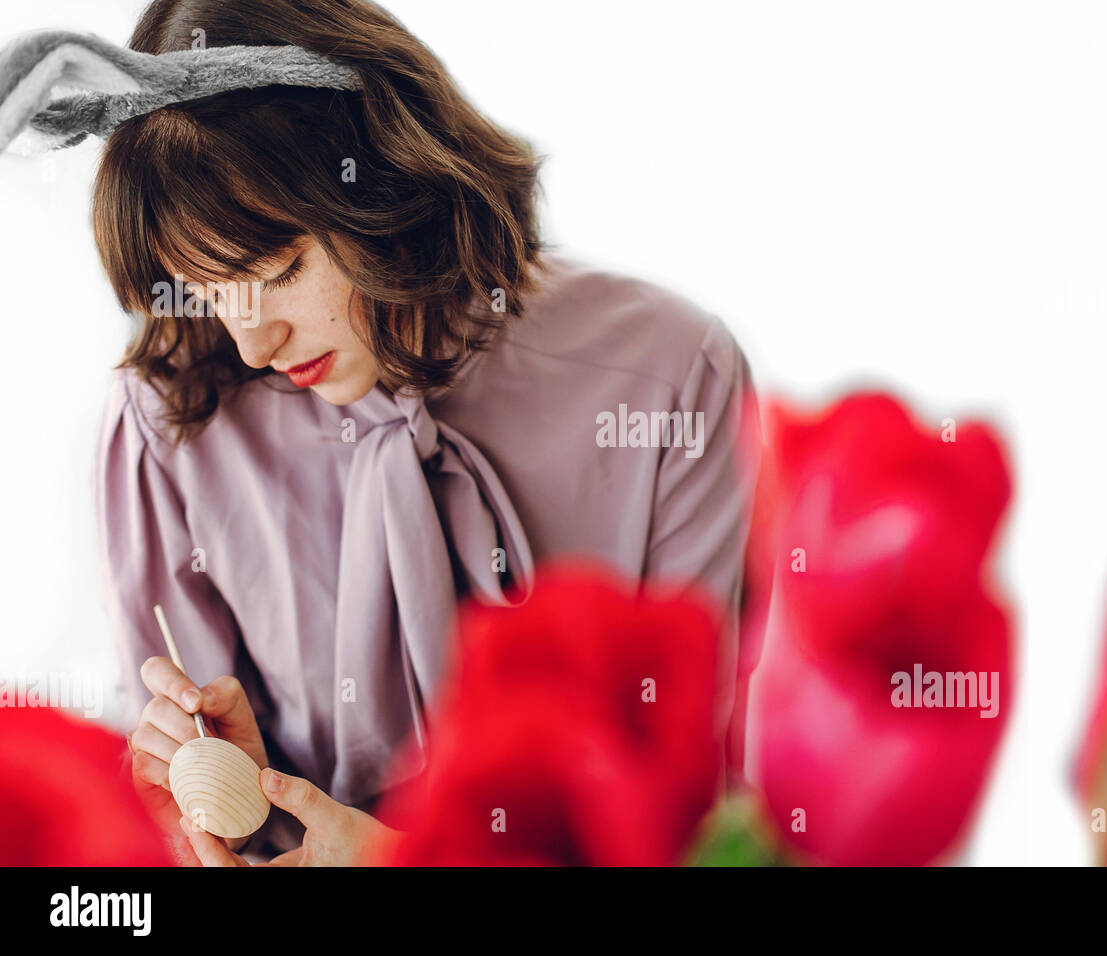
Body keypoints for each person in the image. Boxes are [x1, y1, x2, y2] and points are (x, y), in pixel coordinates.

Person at [93, 0, 757, 864]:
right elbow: (173, 841)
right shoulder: (172, 420)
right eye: (210, 288)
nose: (252, 342)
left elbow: (702, 823)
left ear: (389, 179)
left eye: (280, 271)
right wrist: (232, 806)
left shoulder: (672, 376)